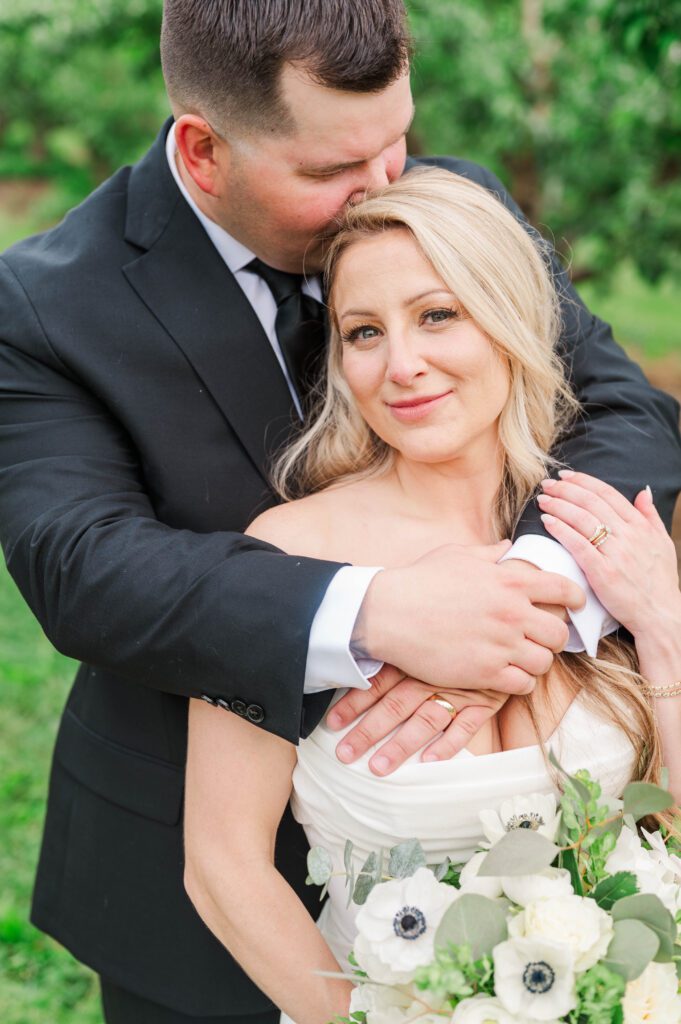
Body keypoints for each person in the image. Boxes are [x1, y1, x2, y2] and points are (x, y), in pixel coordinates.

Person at [0, 1, 679, 1022]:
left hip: (545, 865)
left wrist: (528, 591)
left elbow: (620, 404)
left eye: (395, 141)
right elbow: (82, 566)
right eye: (330, 171)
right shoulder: (48, 305)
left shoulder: (440, 204)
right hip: (201, 889)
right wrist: (376, 614)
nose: (384, 186)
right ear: (205, 148)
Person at [183, 168, 681, 1024]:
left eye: (437, 315)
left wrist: (661, 625)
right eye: (363, 332)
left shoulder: (596, 524)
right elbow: (221, 862)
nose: (402, 366)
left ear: (511, 318)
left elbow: (664, 836)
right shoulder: (287, 554)